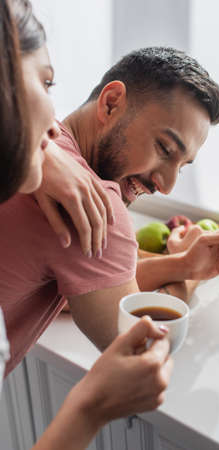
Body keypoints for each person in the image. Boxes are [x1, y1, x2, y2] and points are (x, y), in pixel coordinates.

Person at [0, 0, 173, 448]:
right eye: (46, 80)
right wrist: (91, 406)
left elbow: (78, 287)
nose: (54, 127)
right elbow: (137, 341)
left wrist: (38, 156)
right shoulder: (97, 206)